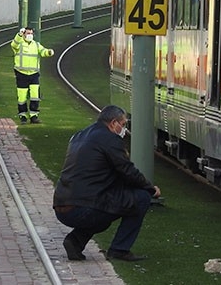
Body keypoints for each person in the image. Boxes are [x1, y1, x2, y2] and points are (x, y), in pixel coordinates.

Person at [53, 105, 160, 262]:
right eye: (122, 125)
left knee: (105, 213)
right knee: (141, 198)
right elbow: (127, 171)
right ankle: (119, 249)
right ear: (113, 123)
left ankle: (75, 242)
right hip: (82, 208)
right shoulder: (110, 139)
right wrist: (150, 189)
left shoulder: (79, 135)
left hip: (62, 205)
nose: (123, 129)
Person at [10, 27, 54, 124]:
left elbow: (43, 51)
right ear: (24, 34)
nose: (30, 35)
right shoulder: (19, 44)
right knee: (22, 97)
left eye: (31, 33)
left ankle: (34, 116)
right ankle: (23, 116)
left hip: (34, 74)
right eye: (28, 33)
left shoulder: (36, 45)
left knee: (35, 96)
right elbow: (14, 44)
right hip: (21, 74)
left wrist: (49, 52)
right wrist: (19, 35)